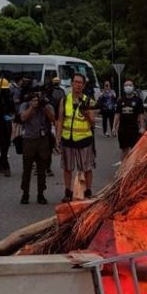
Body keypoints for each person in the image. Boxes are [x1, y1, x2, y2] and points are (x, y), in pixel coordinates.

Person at [55, 73, 96, 202]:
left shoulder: (88, 100)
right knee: (67, 167)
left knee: (87, 168)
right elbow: (60, 120)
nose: (77, 85)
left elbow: (93, 122)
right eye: (75, 82)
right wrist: (58, 137)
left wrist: (85, 113)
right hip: (68, 139)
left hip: (84, 140)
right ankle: (68, 192)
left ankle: (88, 191)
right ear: (72, 83)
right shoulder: (65, 100)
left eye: (80, 83)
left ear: (83, 86)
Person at [19, 84, 55, 204]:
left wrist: (44, 107)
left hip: (42, 140)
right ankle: (25, 193)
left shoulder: (46, 105)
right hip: (29, 140)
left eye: (40, 95)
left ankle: (41, 194)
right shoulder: (25, 105)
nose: (38, 98)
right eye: (35, 96)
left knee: (42, 169)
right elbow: (23, 118)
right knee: (27, 169)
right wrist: (31, 107)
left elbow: (53, 119)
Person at [112, 79, 146, 160]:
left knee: (133, 150)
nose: (128, 87)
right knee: (124, 150)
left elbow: (141, 114)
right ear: (123, 88)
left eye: (130, 85)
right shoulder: (121, 101)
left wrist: (142, 127)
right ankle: (122, 170)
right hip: (122, 129)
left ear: (133, 87)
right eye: (126, 85)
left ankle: (131, 170)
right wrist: (114, 127)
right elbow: (117, 114)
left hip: (133, 129)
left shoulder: (138, 100)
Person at [0, 76, 17, 177]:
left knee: (6, 145)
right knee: (2, 146)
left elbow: (14, 111)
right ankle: (6, 167)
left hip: (7, 124)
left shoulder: (9, 99)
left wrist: (11, 117)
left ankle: (2, 164)